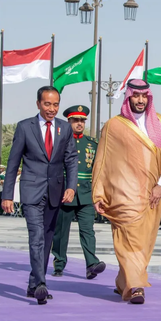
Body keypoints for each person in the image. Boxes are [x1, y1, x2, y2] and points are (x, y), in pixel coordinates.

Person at [92, 79, 161, 304]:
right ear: (128, 97)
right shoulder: (114, 126)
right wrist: (98, 193)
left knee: (143, 240)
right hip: (122, 194)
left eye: (144, 96)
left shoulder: (160, 123)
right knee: (129, 237)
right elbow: (102, 162)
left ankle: (123, 281)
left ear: (149, 97)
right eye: (136, 96)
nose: (140, 100)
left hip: (151, 193)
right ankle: (137, 286)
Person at [1, 86, 78, 305]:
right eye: (47, 104)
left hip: (56, 191)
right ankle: (42, 284)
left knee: (46, 239)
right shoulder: (25, 127)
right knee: (35, 237)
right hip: (31, 191)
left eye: (55, 104)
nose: (51, 109)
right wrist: (8, 195)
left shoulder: (65, 128)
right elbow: (13, 162)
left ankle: (34, 284)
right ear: (38, 104)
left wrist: (71, 186)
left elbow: (71, 159)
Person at [51, 105, 106, 279]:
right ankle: (59, 263)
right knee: (61, 231)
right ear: (68, 122)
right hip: (65, 193)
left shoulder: (92, 144)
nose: (80, 123)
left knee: (88, 230)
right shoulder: (59, 142)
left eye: (82, 120)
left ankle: (91, 264)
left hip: (86, 193)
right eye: (76, 120)